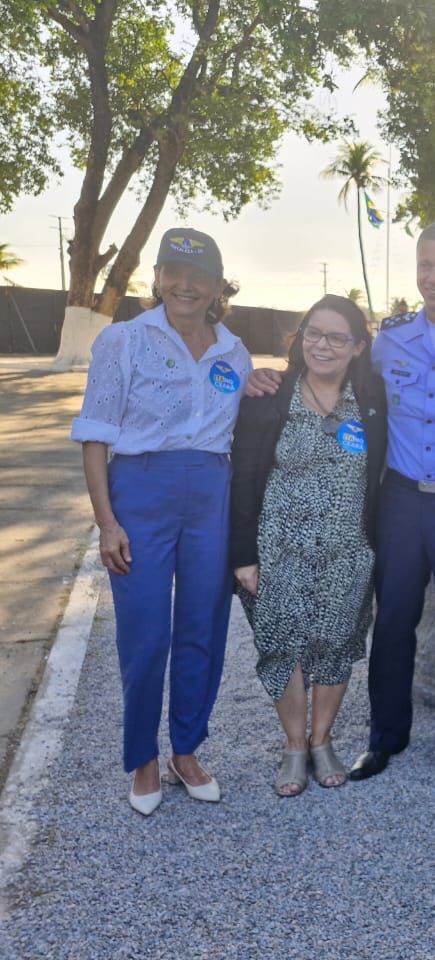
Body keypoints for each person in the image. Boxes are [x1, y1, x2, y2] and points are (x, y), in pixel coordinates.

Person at [248, 222, 435, 800]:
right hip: (401, 500)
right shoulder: (390, 340)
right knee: (393, 624)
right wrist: (271, 379)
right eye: (426, 265)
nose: (434, 278)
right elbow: (332, 378)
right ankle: (385, 739)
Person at [70, 227, 250, 815]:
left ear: (219, 286)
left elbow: (247, 410)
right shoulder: (123, 341)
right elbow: (95, 436)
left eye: (199, 276)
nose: (185, 284)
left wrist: (265, 382)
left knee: (204, 626)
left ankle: (187, 749)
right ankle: (143, 758)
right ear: (157, 279)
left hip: (210, 494)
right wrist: (107, 522)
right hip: (140, 492)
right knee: (146, 633)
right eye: (174, 271)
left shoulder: (235, 353)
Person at [230, 295, 386, 796]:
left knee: (335, 644)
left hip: (349, 550)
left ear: (358, 347)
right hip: (278, 550)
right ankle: (294, 745)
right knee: (280, 647)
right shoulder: (268, 397)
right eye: (314, 334)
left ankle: (322, 741)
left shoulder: (372, 401)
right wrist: (243, 554)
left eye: (337, 337)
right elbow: (243, 480)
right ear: (299, 340)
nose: (323, 345)